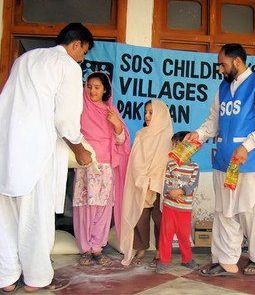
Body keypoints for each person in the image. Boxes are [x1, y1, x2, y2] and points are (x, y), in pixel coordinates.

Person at [0, 23, 94, 293]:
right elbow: (66, 118)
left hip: (3, 146)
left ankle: (5, 278)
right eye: (84, 52)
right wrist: (80, 150)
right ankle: (35, 279)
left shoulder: (25, 59)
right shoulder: (67, 65)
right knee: (35, 216)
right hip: (35, 149)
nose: (83, 58)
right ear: (76, 44)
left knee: (2, 216)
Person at [185, 43, 255, 276]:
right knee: (225, 211)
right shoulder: (223, 89)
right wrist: (199, 133)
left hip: (250, 161)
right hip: (224, 160)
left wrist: (246, 146)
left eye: (223, 64)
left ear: (237, 61)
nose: (220, 70)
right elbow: (213, 120)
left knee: (251, 211)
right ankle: (225, 260)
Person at [73, 72, 130, 266]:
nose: (92, 91)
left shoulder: (111, 111)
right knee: (84, 207)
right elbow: (71, 134)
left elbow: (121, 141)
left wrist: (116, 125)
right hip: (86, 165)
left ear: (105, 89)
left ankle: (97, 248)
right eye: (89, 86)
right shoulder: (79, 109)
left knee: (102, 208)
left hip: (106, 168)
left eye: (97, 87)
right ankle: (85, 249)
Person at [119, 99, 173, 267]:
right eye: (146, 113)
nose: (148, 116)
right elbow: (135, 159)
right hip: (141, 182)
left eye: (151, 112)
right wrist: (142, 177)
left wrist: (154, 178)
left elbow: (166, 162)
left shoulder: (167, 136)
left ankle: (159, 250)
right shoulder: (141, 134)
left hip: (159, 184)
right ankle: (140, 248)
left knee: (160, 219)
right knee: (140, 218)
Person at [155, 131, 200, 275]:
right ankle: (163, 261)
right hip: (169, 206)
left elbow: (193, 184)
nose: (174, 147)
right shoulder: (171, 164)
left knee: (183, 235)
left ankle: (187, 259)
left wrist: (180, 191)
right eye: (173, 144)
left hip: (184, 209)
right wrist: (170, 193)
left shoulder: (194, 167)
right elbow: (166, 183)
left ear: (188, 146)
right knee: (166, 235)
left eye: (177, 144)